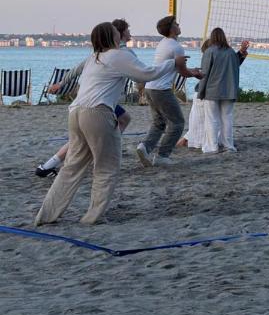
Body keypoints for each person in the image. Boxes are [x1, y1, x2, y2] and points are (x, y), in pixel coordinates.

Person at [35, 22, 194, 226]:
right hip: (97, 112)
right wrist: (173, 63)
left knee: (71, 168)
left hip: (75, 112)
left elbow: (77, 74)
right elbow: (147, 74)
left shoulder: (94, 57)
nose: (120, 34)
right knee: (106, 167)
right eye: (116, 32)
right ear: (112, 37)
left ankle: (45, 216)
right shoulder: (118, 55)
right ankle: (92, 218)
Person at [35, 18, 134, 177]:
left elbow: (76, 70)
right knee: (81, 140)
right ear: (120, 34)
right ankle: (100, 151)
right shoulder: (123, 53)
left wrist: (60, 84)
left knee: (123, 119)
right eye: (128, 30)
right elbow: (142, 73)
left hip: (87, 97)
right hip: (100, 101)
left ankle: (48, 165)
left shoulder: (100, 53)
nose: (131, 33)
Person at [137, 16, 200, 167]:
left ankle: (144, 147)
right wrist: (197, 74)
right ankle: (162, 156)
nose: (179, 25)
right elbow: (183, 72)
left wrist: (192, 71)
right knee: (178, 123)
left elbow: (178, 69)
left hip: (150, 87)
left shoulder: (163, 43)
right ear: (172, 28)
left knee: (159, 122)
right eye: (176, 24)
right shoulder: (176, 47)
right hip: (161, 90)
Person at [197, 28, 249, 153]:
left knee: (212, 119)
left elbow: (204, 73)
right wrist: (241, 52)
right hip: (229, 90)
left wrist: (200, 91)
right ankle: (228, 145)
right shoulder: (231, 52)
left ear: (213, 37)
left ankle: (212, 146)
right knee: (227, 118)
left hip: (212, 90)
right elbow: (236, 65)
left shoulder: (209, 52)